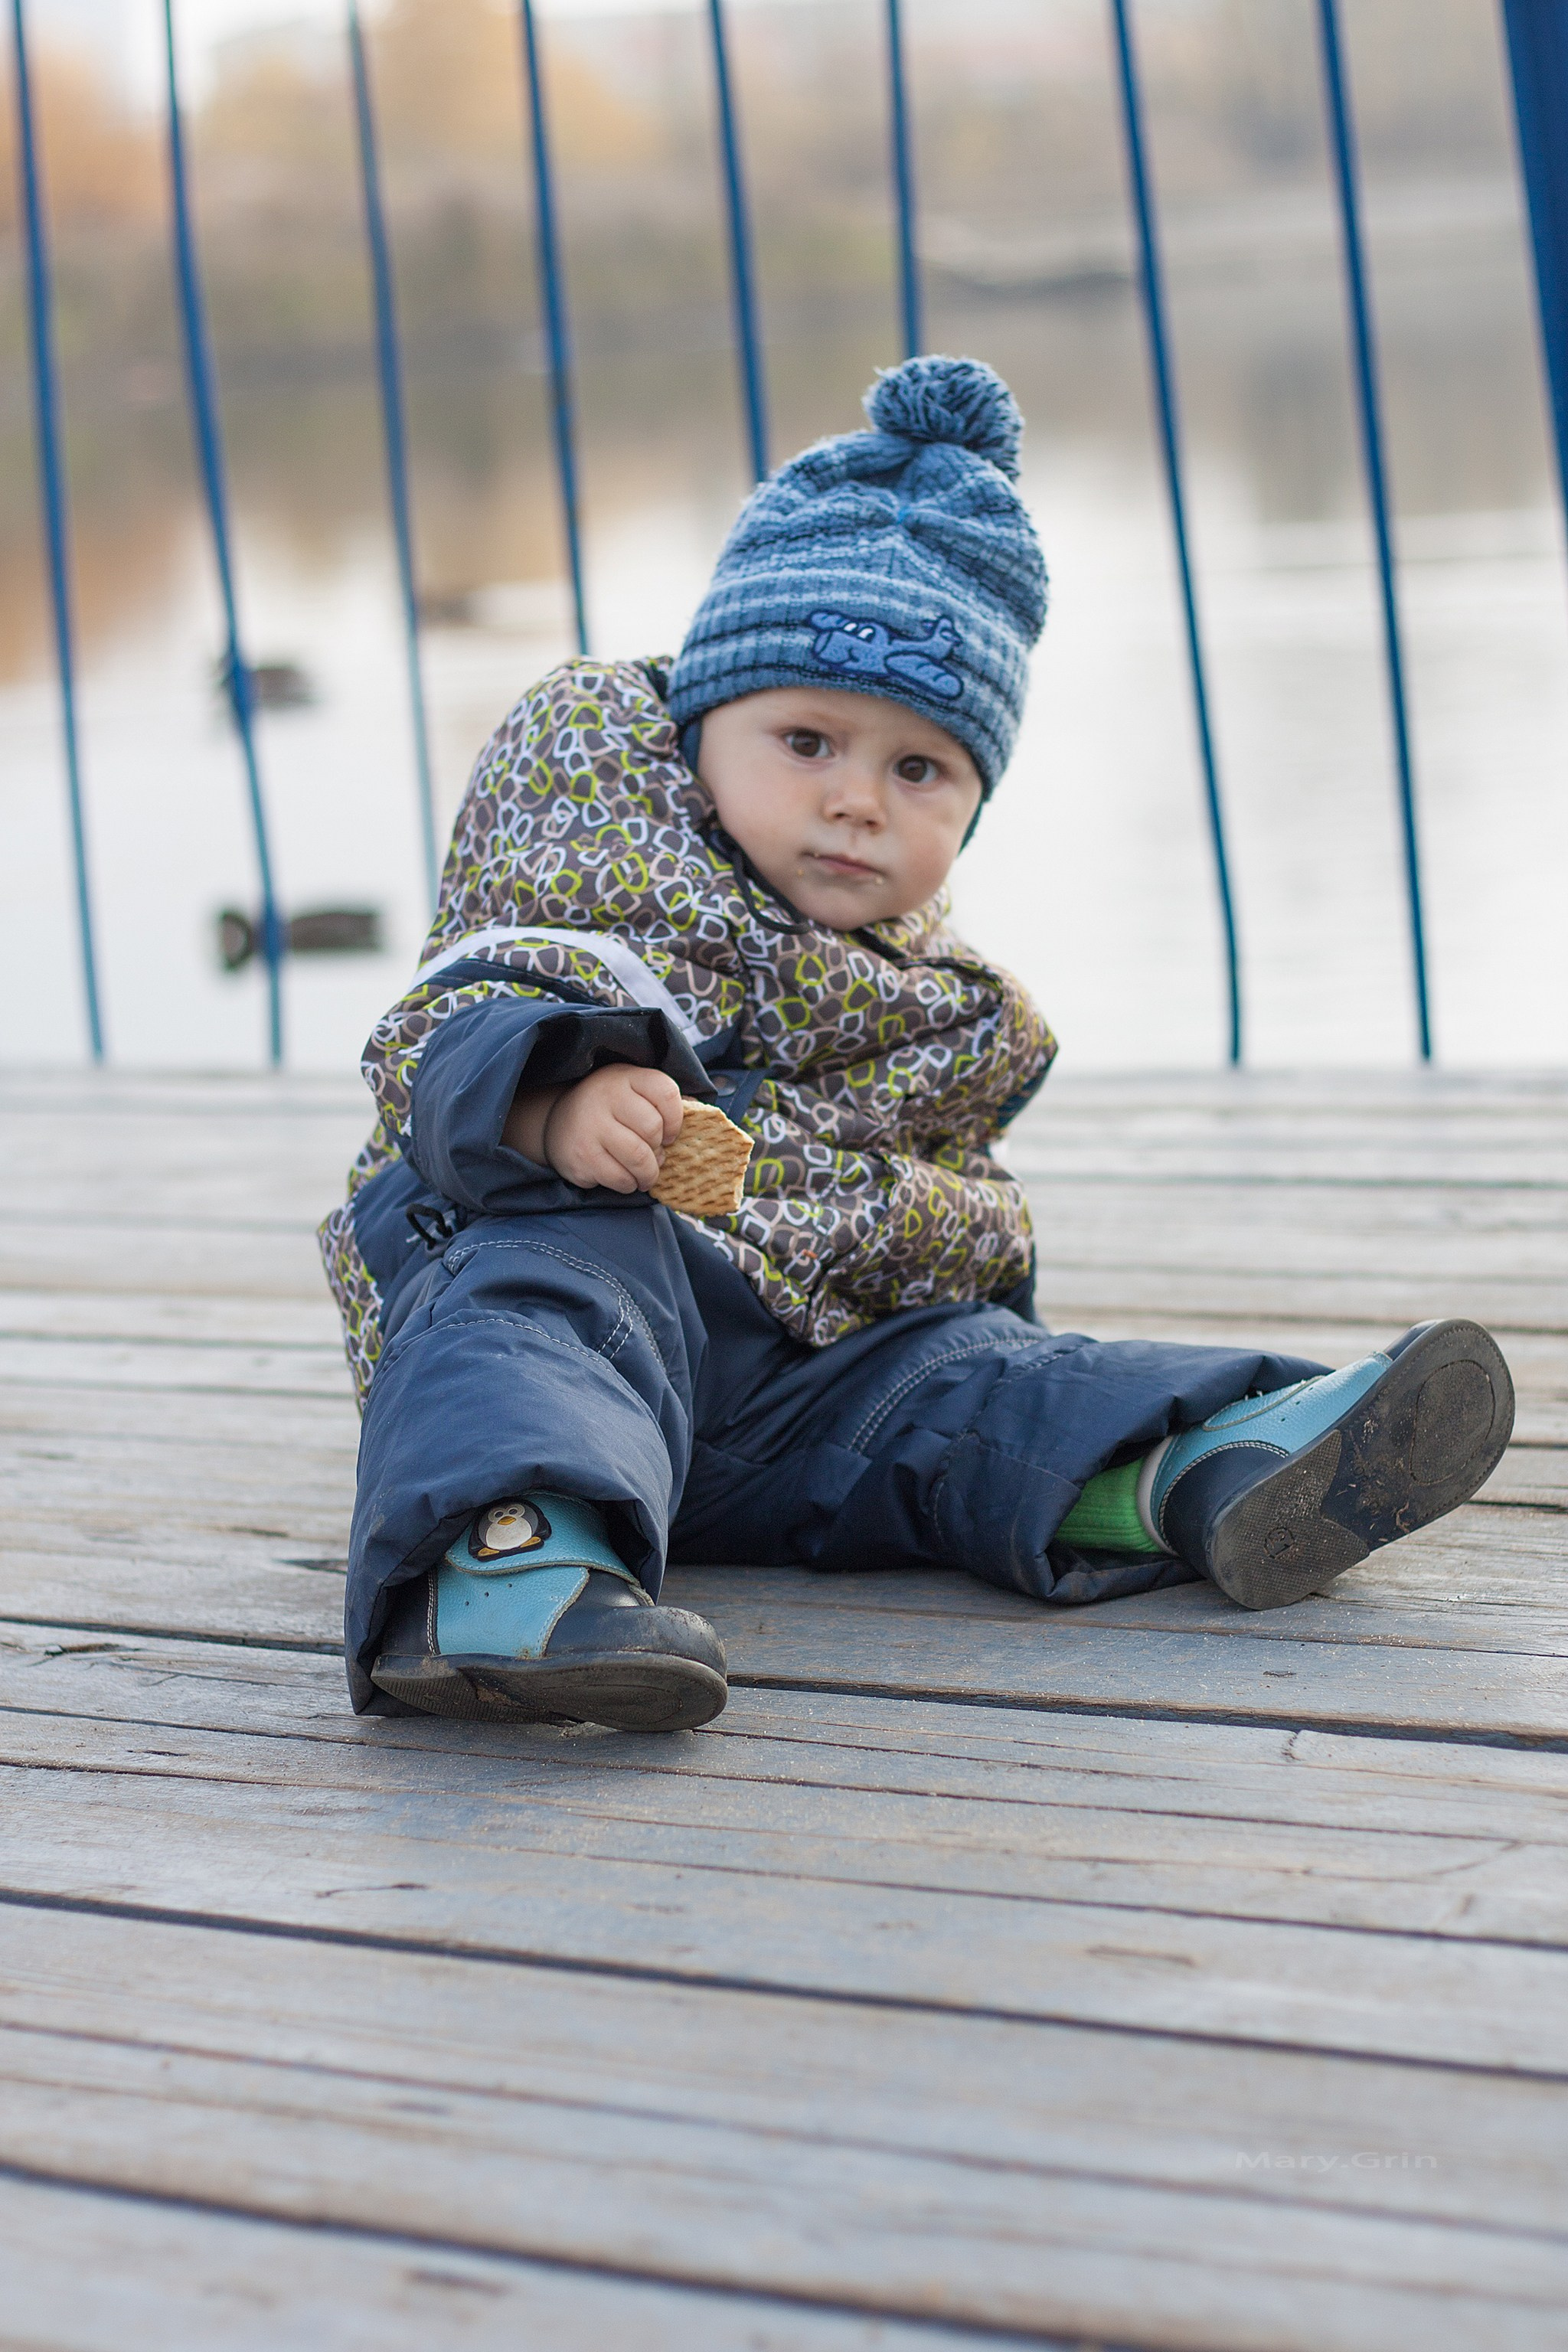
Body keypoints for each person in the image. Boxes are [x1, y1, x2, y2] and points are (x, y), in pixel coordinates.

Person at [319, 354, 1513, 1731]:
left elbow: (936, 1239)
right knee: (543, 1271)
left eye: (918, 771)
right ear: (706, 724)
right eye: (808, 740)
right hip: (587, 1325)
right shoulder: (603, 855)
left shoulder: (934, 996)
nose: (857, 805)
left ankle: (1196, 1465)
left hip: (799, 1400)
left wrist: (966, 1336)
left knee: (959, 1384)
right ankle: (501, 1567)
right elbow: (451, 1027)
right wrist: (550, 1103)